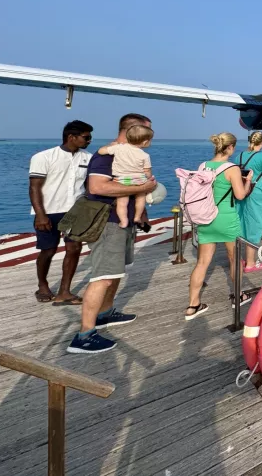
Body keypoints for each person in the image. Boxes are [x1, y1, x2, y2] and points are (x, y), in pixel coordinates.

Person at [66, 114, 157, 354]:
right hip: (107, 222)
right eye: (145, 131)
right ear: (130, 130)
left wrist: (142, 211)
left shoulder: (130, 152)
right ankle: (84, 335)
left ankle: (105, 313)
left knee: (116, 271)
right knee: (102, 277)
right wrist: (143, 188)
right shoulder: (107, 155)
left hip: (122, 222)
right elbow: (97, 187)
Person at [185, 132, 253, 320]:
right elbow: (240, 196)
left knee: (202, 263)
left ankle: (193, 305)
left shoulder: (203, 166)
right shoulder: (232, 169)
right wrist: (247, 182)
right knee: (234, 260)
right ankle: (238, 296)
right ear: (230, 148)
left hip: (206, 218)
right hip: (226, 219)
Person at [28, 120, 93, 305]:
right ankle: (42, 284)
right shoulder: (43, 157)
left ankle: (65, 291)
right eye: (86, 137)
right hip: (48, 211)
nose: (89, 140)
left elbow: (89, 186)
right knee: (48, 251)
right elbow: (34, 188)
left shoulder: (88, 158)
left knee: (74, 249)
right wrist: (40, 215)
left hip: (75, 211)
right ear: (71, 137)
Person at [235, 131, 262, 272]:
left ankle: (239, 260)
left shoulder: (239, 156)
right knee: (254, 228)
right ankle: (250, 263)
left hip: (241, 193)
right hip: (257, 195)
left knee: (241, 226)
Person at [96, 124, 154, 229]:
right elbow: (147, 171)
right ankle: (137, 217)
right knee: (141, 199)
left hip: (123, 179)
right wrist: (148, 179)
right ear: (145, 142)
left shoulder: (119, 148)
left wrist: (110, 146)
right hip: (139, 179)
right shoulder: (145, 155)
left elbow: (101, 151)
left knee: (122, 203)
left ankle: (123, 221)